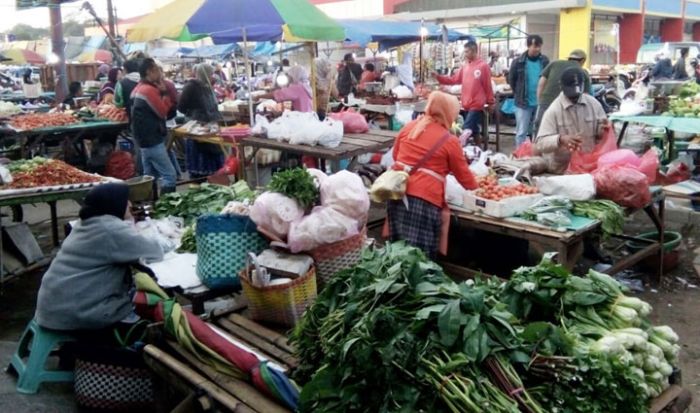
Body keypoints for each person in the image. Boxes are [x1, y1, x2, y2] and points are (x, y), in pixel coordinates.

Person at [35, 183, 164, 332]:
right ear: (113, 204)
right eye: (125, 200)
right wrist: (129, 221)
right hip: (77, 314)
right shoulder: (109, 229)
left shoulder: (85, 223)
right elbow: (154, 251)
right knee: (151, 308)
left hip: (52, 310)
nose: (129, 204)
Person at [388, 91, 478, 258]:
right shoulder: (448, 140)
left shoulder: (410, 127)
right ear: (448, 112)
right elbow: (465, 178)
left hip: (397, 191)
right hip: (424, 200)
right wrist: (479, 188)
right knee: (419, 256)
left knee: (398, 250)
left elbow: (396, 155)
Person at [534, 67, 608, 174]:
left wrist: (603, 131)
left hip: (590, 166)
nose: (574, 99)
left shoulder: (594, 104)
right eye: (571, 96)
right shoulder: (554, 110)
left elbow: (602, 134)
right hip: (562, 169)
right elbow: (540, 144)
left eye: (577, 96)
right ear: (561, 87)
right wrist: (560, 139)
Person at [131, 58, 178, 194]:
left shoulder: (137, 88)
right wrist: (164, 94)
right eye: (157, 70)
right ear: (149, 72)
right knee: (170, 175)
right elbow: (162, 112)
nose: (160, 73)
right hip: (152, 138)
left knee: (149, 176)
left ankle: (150, 206)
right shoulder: (147, 90)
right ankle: (168, 205)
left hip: (143, 139)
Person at [434, 41, 495, 141]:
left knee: (465, 131)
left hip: (476, 105)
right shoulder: (465, 66)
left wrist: (491, 102)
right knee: (474, 131)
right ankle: (478, 150)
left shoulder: (483, 66)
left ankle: (460, 151)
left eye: (466, 52)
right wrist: (439, 77)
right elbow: (454, 79)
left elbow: (487, 86)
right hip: (466, 104)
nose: (465, 54)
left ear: (474, 51)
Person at [178, 63, 224, 178]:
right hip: (197, 127)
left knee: (213, 151)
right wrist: (195, 116)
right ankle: (199, 178)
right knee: (201, 153)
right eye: (210, 74)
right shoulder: (191, 86)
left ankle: (214, 176)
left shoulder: (207, 86)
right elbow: (181, 106)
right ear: (205, 74)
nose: (212, 76)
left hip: (210, 126)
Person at [508, 34, 550, 147]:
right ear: (528, 46)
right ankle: (520, 156)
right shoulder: (518, 62)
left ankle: (536, 156)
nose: (537, 49)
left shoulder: (545, 61)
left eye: (539, 46)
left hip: (540, 102)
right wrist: (518, 93)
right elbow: (511, 79)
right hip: (523, 103)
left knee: (538, 131)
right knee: (521, 132)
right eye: (534, 46)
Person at [535, 49, 591, 132]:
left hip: (546, 102)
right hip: (567, 106)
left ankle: (537, 144)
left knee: (540, 129)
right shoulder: (582, 72)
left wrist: (540, 101)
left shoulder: (554, 63)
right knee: (561, 132)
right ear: (583, 60)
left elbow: (541, 83)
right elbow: (586, 96)